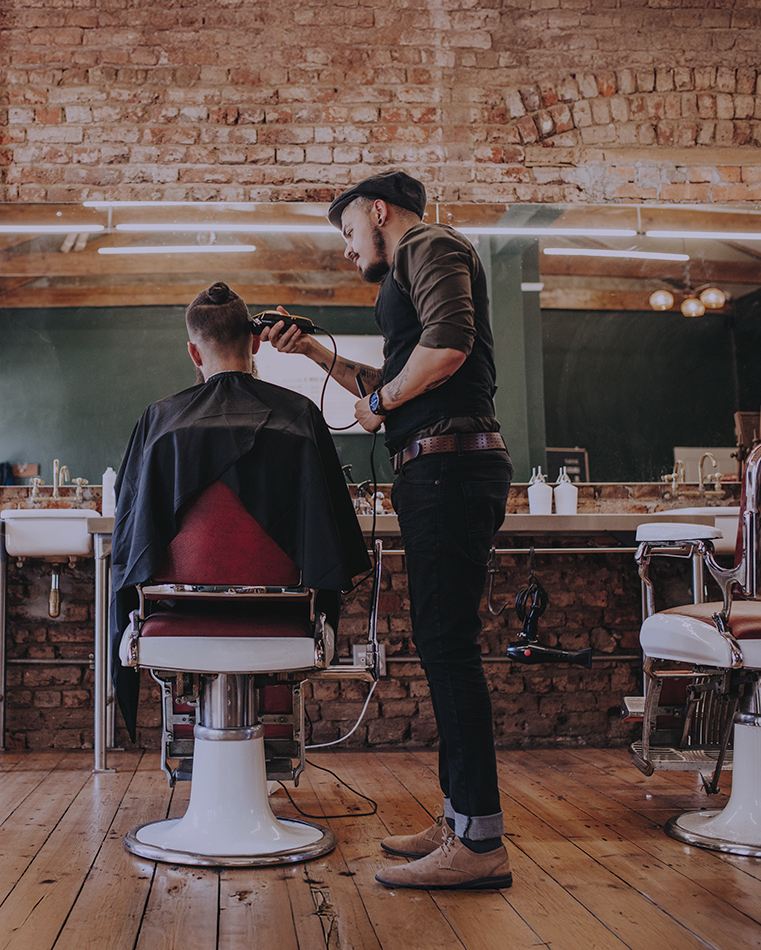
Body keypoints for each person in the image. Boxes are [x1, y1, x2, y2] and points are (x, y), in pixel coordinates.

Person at [261, 170, 514, 891]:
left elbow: (448, 352)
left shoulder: (427, 246)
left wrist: (382, 398)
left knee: (448, 649)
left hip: (449, 472)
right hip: (437, 469)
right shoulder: (410, 272)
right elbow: (397, 381)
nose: (346, 250)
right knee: (442, 648)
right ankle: (461, 818)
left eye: (347, 232)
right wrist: (313, 353)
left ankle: (479, 841)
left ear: (378, 212)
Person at [109, 281, 371, 741]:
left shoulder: (158, 422)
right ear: (255, 342)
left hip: (180, 611)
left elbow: (133, 537)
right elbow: (330, 538)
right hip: (282, 612)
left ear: (194, 352)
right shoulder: (301, 417)